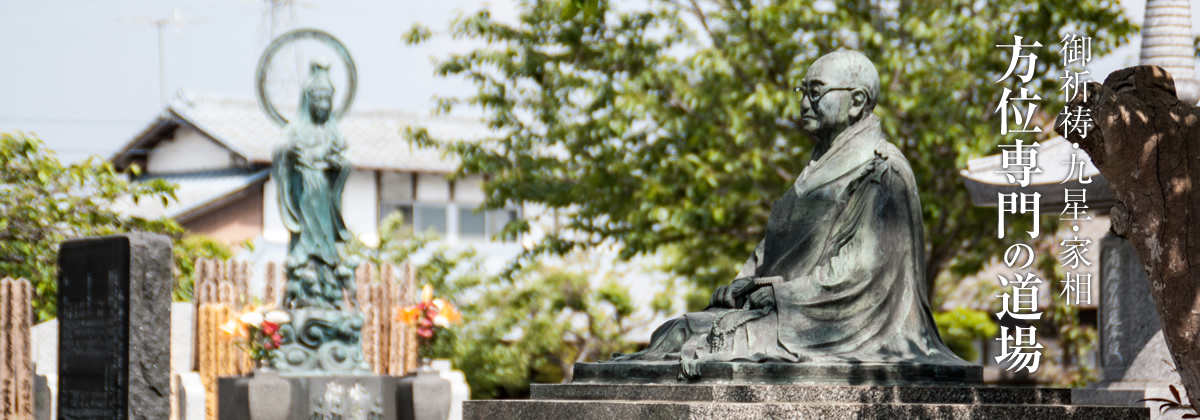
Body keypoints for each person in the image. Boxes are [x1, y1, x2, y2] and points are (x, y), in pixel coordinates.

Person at [614, 50, 965, 373]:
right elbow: (773, 248)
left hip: (833, 323)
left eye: (816, 92)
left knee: (704, 344)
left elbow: (862, 271)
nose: (805, 103)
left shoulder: (882, 168)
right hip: (783, 310)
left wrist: (783, 296)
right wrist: (741, 284)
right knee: (674, 332)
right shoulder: (814, 167)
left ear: (856, 102)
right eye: (804, 91)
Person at [273, 58, 357, 309]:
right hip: (305, 193)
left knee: (327, 242)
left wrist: (339, 165)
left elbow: (344, 158)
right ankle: (305, 277)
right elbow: (280, 149)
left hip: (326, 194)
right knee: (306, 238)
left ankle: (329, 285)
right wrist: (289, 152)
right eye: (318, 100)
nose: (323, 105)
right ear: (308, 101)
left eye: (327, 100)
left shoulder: (334, 131)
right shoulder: (295, 129)